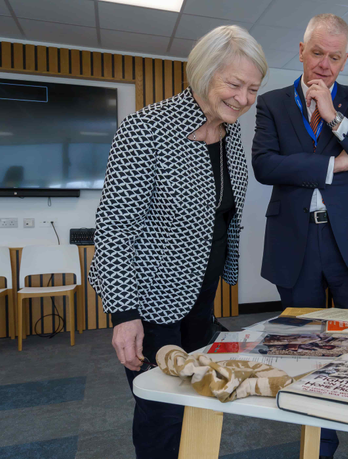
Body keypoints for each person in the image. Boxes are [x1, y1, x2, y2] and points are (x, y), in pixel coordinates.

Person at [88, 26, 267, 459]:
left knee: (197, 401)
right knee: (161, 409)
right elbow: (115, 228)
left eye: (253, 89)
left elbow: (219, 215)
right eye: (234, 84)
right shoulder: (146, 130)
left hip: (201, 301)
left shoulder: (230, 134)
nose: (244, 98)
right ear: (204, 74)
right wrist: (124, 314)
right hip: (152, 304)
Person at [251, 13, 348, 459]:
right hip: (296, 243)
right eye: (317, 53)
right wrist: (333, 166)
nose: (325, 65)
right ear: (301, 50)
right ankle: (320, 447)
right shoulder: (272, 103)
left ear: (345, 58)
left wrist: (335, 118)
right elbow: (265, 166)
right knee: (304, 351)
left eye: (335, 57)